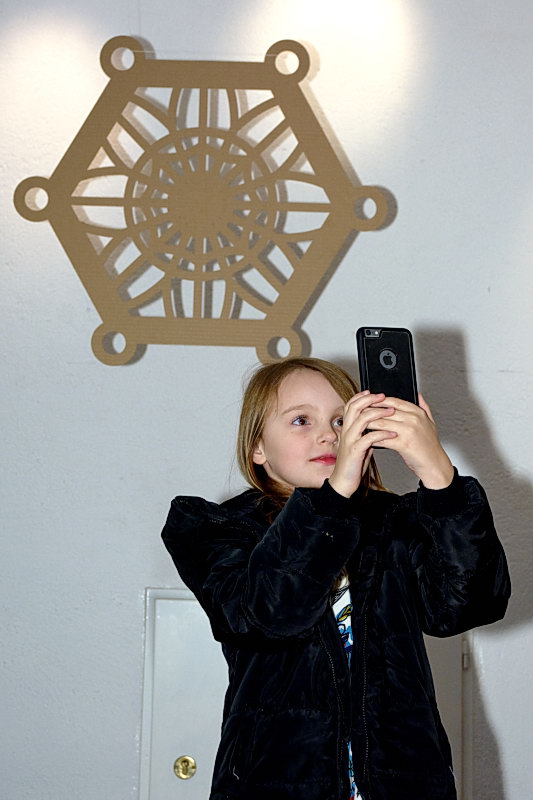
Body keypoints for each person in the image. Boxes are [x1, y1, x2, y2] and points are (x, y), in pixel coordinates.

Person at [162, 357, 510, 800]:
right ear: (257, 447)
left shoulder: (394, 522)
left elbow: (468, 605)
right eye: (301, 420)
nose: (329, 434)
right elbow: (268, 613)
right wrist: (334, 495)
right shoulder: (215, 528)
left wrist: (439, 476)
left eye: (342, 420)